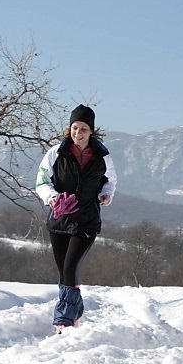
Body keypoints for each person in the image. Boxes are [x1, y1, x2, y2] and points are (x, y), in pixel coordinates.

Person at [36, 104, 117, 332]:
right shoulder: (55, 153)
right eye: (74, 128)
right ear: (69, 129)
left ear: (91, 131)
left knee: (70, 267)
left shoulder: (102, 155)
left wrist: (106, 195)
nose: (78, 133)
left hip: (87, 220)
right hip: (60, 220)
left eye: (83, 129)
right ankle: (74, 310)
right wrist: (52, 198)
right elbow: (41, 181)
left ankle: (65, 320)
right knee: (64, 271)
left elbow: (111, 181)